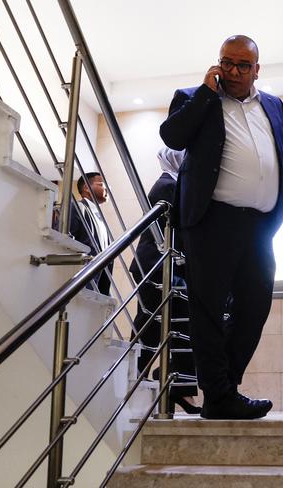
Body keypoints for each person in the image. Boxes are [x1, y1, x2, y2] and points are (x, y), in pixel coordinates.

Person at [159, 35, 283, 419]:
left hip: (260, 225)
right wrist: (206, 92)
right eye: (227, 62)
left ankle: (223, 391)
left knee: (255, 306)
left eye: (242, 65)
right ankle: (219, 395)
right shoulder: (193, 96)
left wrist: (280, 207)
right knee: (208, 309)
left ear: (257, 69)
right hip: (213, 221)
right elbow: (173, 136)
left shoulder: (273, 104)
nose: (233, 72)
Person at [129, 147, 199, 414]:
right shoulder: (165, 186)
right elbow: (166, 232)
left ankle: (177, 387)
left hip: (168, 266)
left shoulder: (175, 184)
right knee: (151, 324)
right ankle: (136, 374)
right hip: (154, 266)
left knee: (179, 325)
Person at [69, 171, 112, 295]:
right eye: (102, 185)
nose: (107, 189)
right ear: (87, 187)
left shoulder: (99, 216)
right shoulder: (76, 208)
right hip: (80, 282)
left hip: (98, 284)